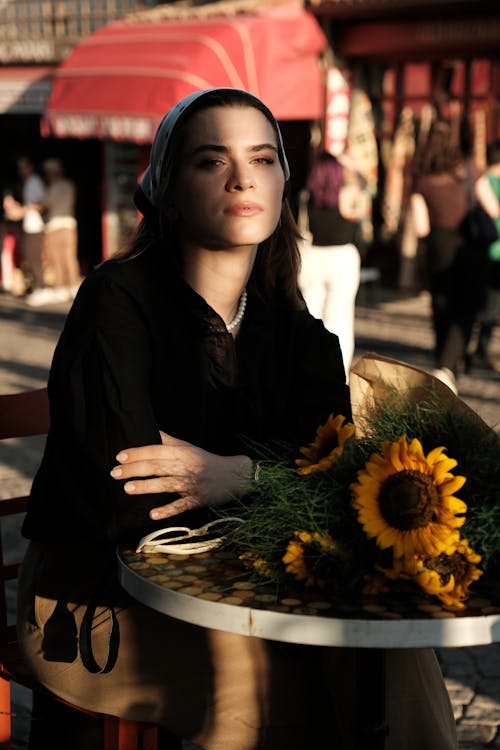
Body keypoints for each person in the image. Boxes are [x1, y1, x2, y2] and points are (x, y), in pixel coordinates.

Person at [16, 88, 457, 750]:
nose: (242, 177)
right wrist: (283, 480)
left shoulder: (299, 333)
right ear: (166, 190)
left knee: (385, 651)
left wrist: (235, 475)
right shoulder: (117, 301)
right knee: (303, 676)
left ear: (284, 183)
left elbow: (341, 483)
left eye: (262, 158)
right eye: (209, 161)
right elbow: (126, 501)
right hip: (107, 596)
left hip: (257, 590)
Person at [410, 117, 495, 395]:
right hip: (468, 248)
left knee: (441, 306)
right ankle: (447, 368)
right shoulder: (470, 170)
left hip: (437, 246)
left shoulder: (422, 181)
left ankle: (444, 365)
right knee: (465, 309)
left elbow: (421, 227)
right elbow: (492, 210)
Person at [297, 151, 363, 378]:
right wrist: (353, 166)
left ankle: (309, 371)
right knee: (340, 321)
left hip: (311, 258)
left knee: (311, 319)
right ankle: (337, 376)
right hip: (341, 259)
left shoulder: (307, 196)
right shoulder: (347, 194)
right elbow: (366, 186)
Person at [467, 139, 500, 370]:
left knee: (482, 303)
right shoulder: (489, 182)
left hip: (480, 250)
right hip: (495, 252)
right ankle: (479, 350)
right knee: (491, 306)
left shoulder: (478, 179)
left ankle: (473, 349)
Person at [2, 156, 49, 306]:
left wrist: (21, 211)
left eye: (24, 167)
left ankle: (41, 288)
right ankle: (37, 287)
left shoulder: (35, 181)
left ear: (30, 167)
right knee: (29, 257)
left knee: (34, 257)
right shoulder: (28, 183)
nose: (21, 171)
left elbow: (41, 204)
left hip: (36, 225)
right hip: (28, 225)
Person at [41, 158, 82, 302]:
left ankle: (61, 287)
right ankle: (73, 286)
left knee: (57, 259)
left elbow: (46, 204)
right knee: (70, 257)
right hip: (69, 224)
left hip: (55, 225)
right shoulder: (70, 185)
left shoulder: (53, 186)